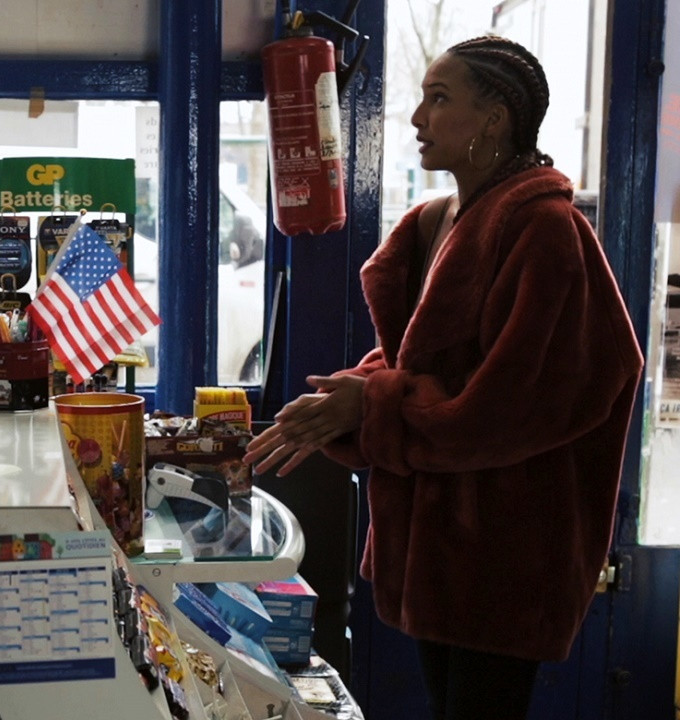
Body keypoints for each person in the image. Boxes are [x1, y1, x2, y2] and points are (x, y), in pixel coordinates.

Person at [243, 35, 642, 720]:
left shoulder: (548, 231)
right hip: (436, 552)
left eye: (439, 99)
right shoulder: (433, 222)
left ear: (495, 119)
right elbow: (418, 366)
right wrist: (350, 396)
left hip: (509, 558)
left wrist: (373, 405)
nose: (418, 119)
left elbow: (517, 405)